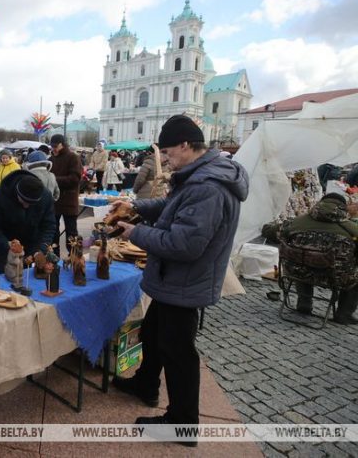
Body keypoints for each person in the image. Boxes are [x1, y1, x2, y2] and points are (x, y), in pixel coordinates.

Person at [111, 114, 248, 439]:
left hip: (185, 280)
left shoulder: (208, 187)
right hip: (174, 279)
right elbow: (172, 206)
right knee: (154, 332)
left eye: (169, 153)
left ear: (186, 146)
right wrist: (137, 206)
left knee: (179, 353)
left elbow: (183, 244)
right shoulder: (198, 176)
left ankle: (182, 424)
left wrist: (136, 233)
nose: (166, 160)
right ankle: (146, 385)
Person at [281, 193, 358, 325]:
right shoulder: (352, 229)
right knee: (353, 273)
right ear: (343, 208)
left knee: (303, 261)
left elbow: (274, 232)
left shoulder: (297, 222)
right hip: (334, 277)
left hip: (297, 272)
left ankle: (304, 302)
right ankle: (344, 314)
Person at [0, 170, 56, 273]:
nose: (26, 206)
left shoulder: (46, 196)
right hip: (7, 252)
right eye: (24, 202)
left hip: (33, 248)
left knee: (30, 281)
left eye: (31, 204)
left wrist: (40, 250)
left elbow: (49, 226)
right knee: (6, 281)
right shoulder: (1, 194)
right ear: (17, 193)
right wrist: (6, 245)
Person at [49, 134, 82, 253]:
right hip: (55, 202)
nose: (53, 149)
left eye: (55, 146)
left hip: (69, 201)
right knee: (53, 232)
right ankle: (53, 261)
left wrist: (54, 179)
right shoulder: (50, 160)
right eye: (52, 146)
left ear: (62, 144)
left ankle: (75, 259)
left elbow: (75, 179)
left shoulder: (73, 157)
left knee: (71, 233)